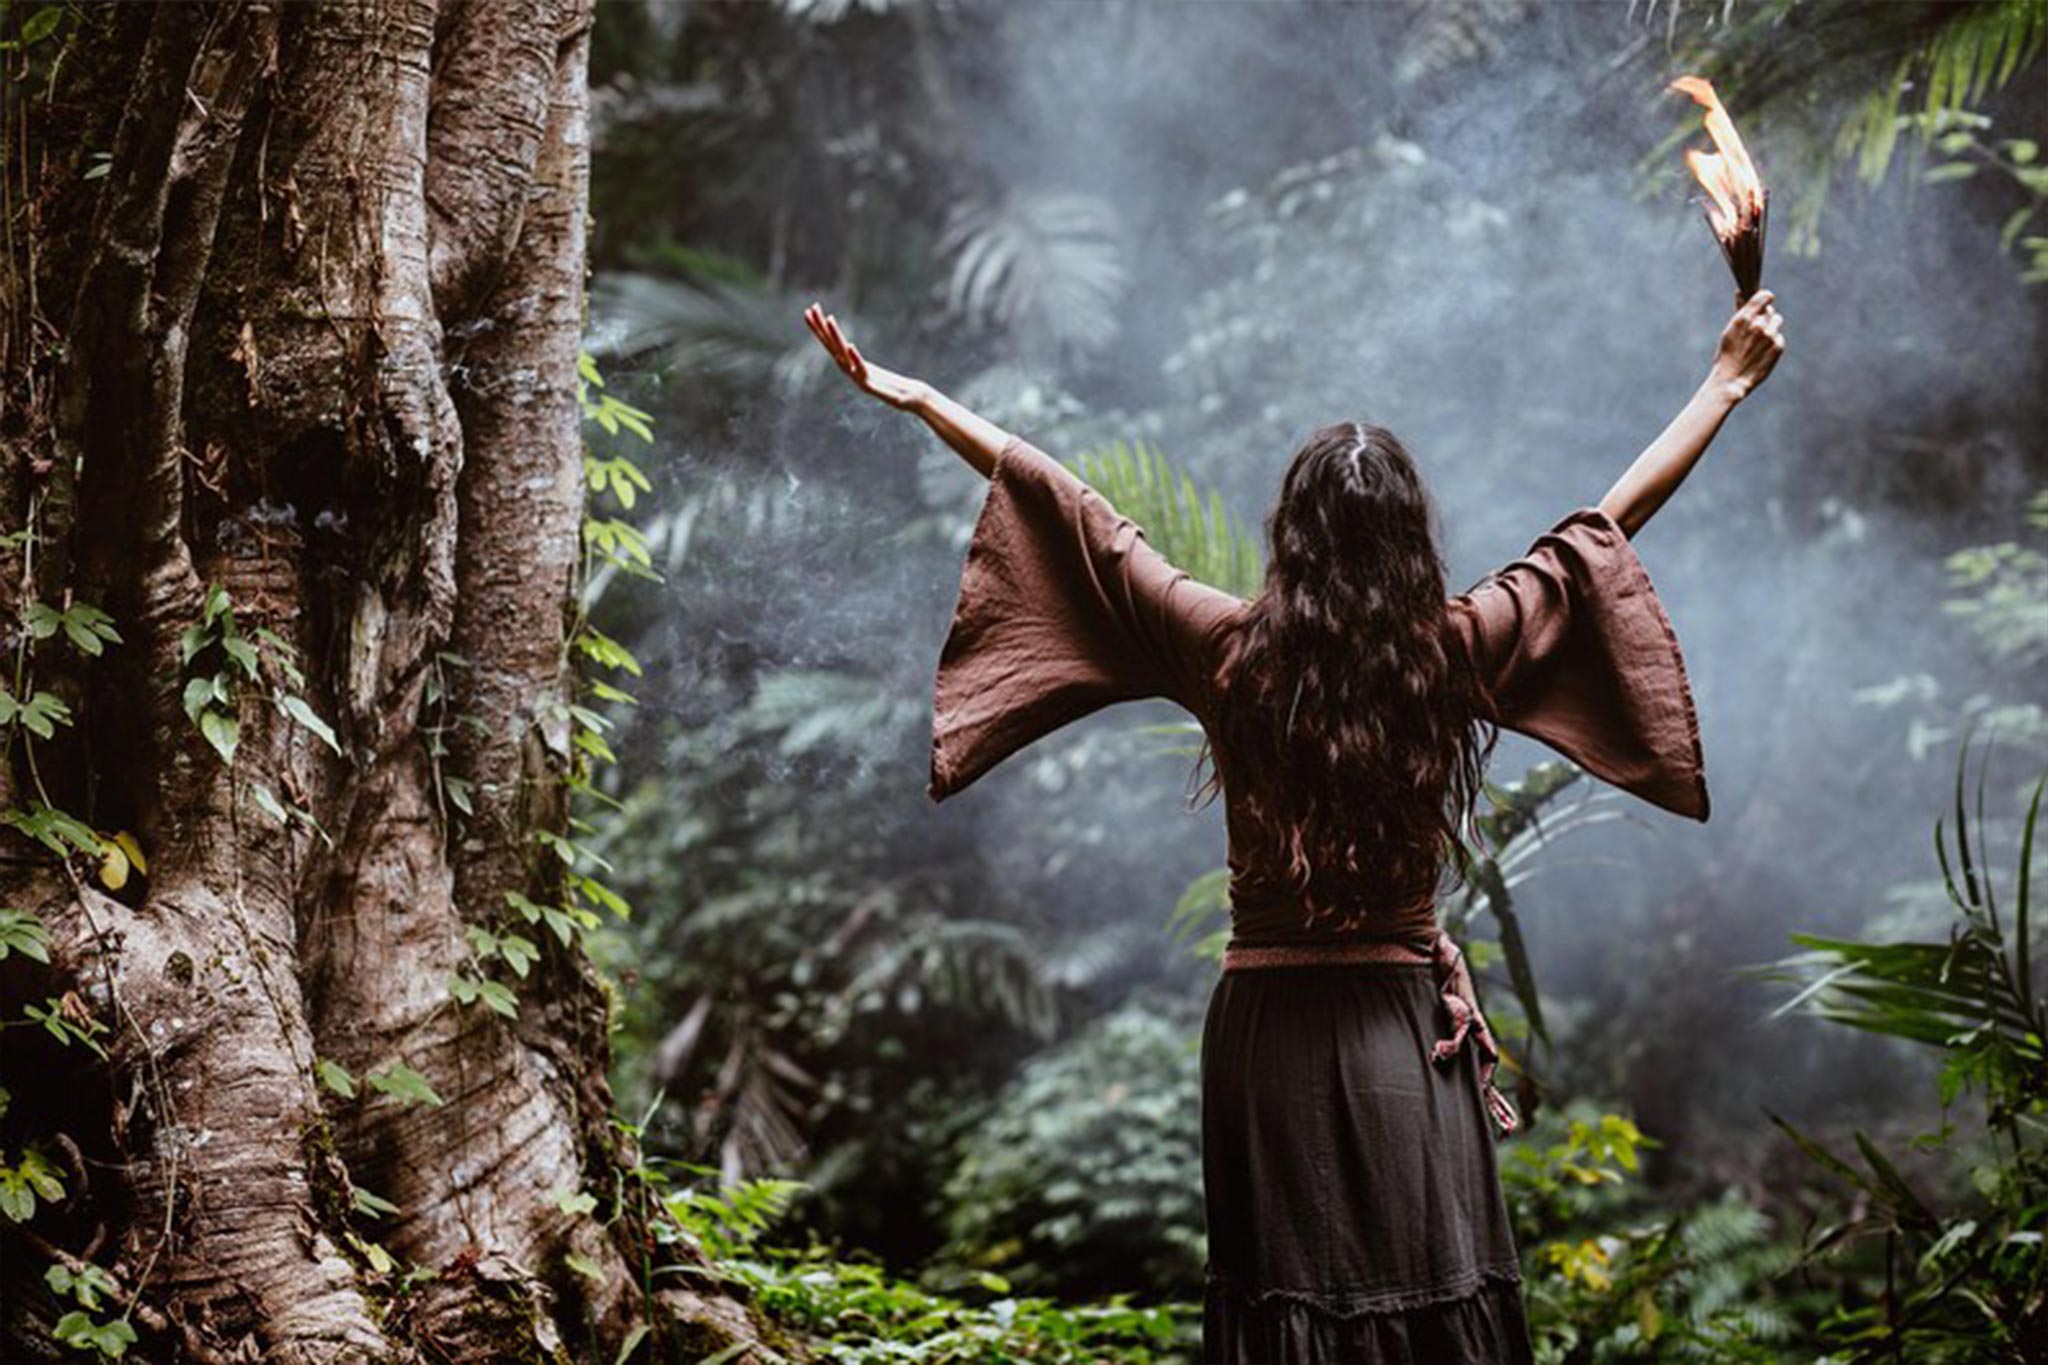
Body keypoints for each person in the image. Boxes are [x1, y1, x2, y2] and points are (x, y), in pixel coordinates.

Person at [802, 290, 1784, 1363]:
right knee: (1427, 1287)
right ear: (1408, 540)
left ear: (1293, 537)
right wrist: (1722, 384)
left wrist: (923, 398)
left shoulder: (1228, 651)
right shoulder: (1451, 650)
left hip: (1266, 1030)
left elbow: (1070, 513)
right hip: (1400, 1025)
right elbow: (1601, 531)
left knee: (1289, 1299)